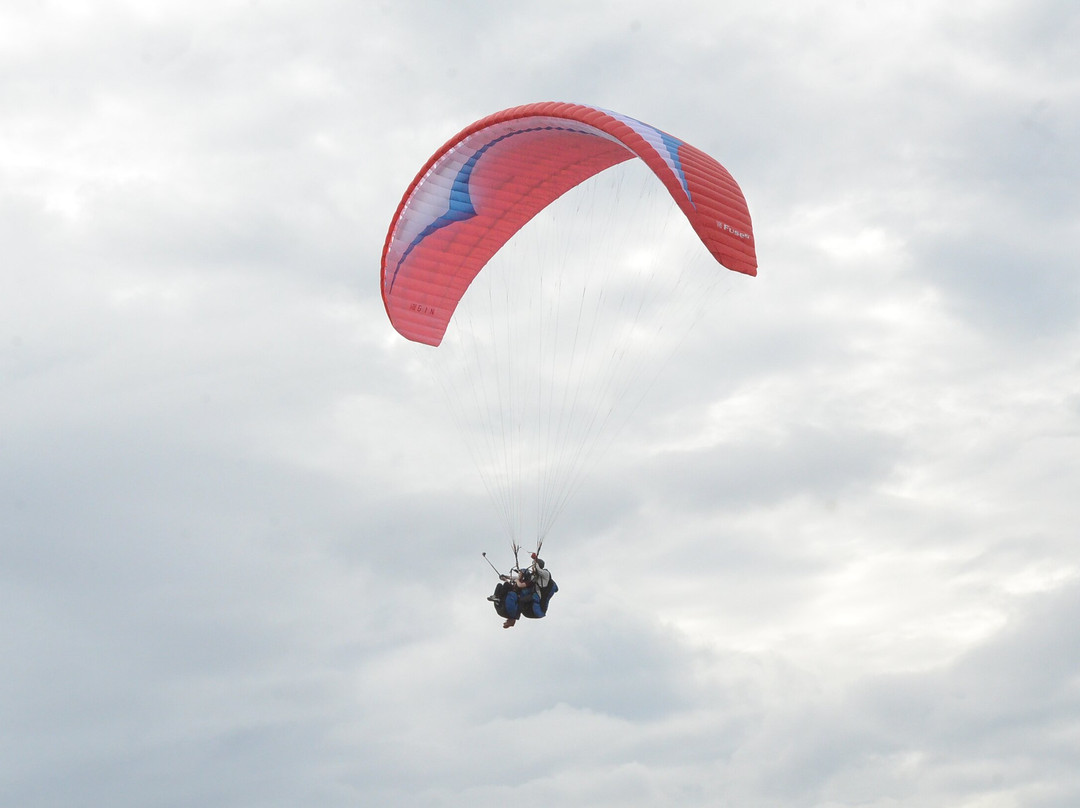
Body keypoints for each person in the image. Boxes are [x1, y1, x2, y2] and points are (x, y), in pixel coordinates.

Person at [487, 554, 557, 629]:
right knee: (517, 594)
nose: (532, 568)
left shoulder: (545, 574)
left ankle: (514, 618)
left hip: (536, 596)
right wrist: (506, 577)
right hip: (533, 593)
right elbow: (517, 577)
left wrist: (535, 559)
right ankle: (499, 599)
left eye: (533, 566)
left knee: (522, 600)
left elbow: (538, 570)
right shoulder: (534, 576)